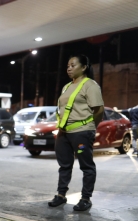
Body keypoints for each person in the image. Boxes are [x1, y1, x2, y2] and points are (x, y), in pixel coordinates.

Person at [48, 54, 104, 211]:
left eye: (73, 65)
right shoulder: (67, 86)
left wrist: (91, 126)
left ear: (84, 67)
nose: (69, 68)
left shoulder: (90, 85)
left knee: (86, 166)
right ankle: (61, 195)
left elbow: (98, 109)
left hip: (81, 132)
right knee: (64, 165)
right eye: (67, 66)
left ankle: (86, 198)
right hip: (64, 133)